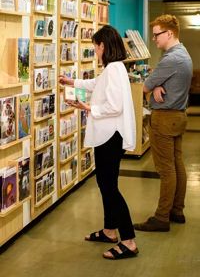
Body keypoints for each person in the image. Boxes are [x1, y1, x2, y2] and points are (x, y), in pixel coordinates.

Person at [59, 25, 138, 260]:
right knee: (106, 184)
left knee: (109, 187)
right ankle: (109, 230)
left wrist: (87, 107)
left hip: (109, 136)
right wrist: (72, 82)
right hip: (110, 135)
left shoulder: (113, 69)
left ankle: (129, 241)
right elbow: (97, 84)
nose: (95, 50)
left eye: (95, 46)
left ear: (103, 46)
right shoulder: (115, 69)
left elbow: (114, 106)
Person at [134, 14, 193, 232]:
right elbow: (156, 83)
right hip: (178, 116)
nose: (154, 39)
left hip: (165, 118)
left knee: (166, 169)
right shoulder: (183, 54)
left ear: (169, 33)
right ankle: (177, 210)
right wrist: (157, 85)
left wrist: (153, 87)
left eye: (157, 34)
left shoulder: (170, 59)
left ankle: (161, 217)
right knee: (177, 164)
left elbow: (145, 86)